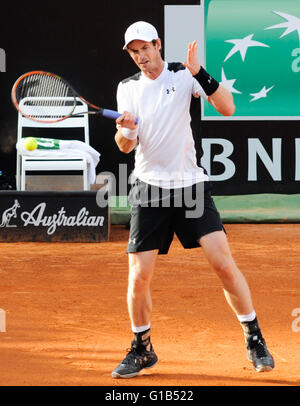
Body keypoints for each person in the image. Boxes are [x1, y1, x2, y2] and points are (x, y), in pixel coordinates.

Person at [111, 21, 274, 378]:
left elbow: (228, 107)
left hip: (190, 187)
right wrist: (128, 128)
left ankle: (254, 338)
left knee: (224, 264)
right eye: (133, 51)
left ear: (157, 44)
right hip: (149, 188)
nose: (140, 56)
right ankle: (142, 348)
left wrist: (200, 72)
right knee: (138, 276)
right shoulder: (127, 89)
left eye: (145, 48)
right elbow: (124, 146)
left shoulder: (182, 76)